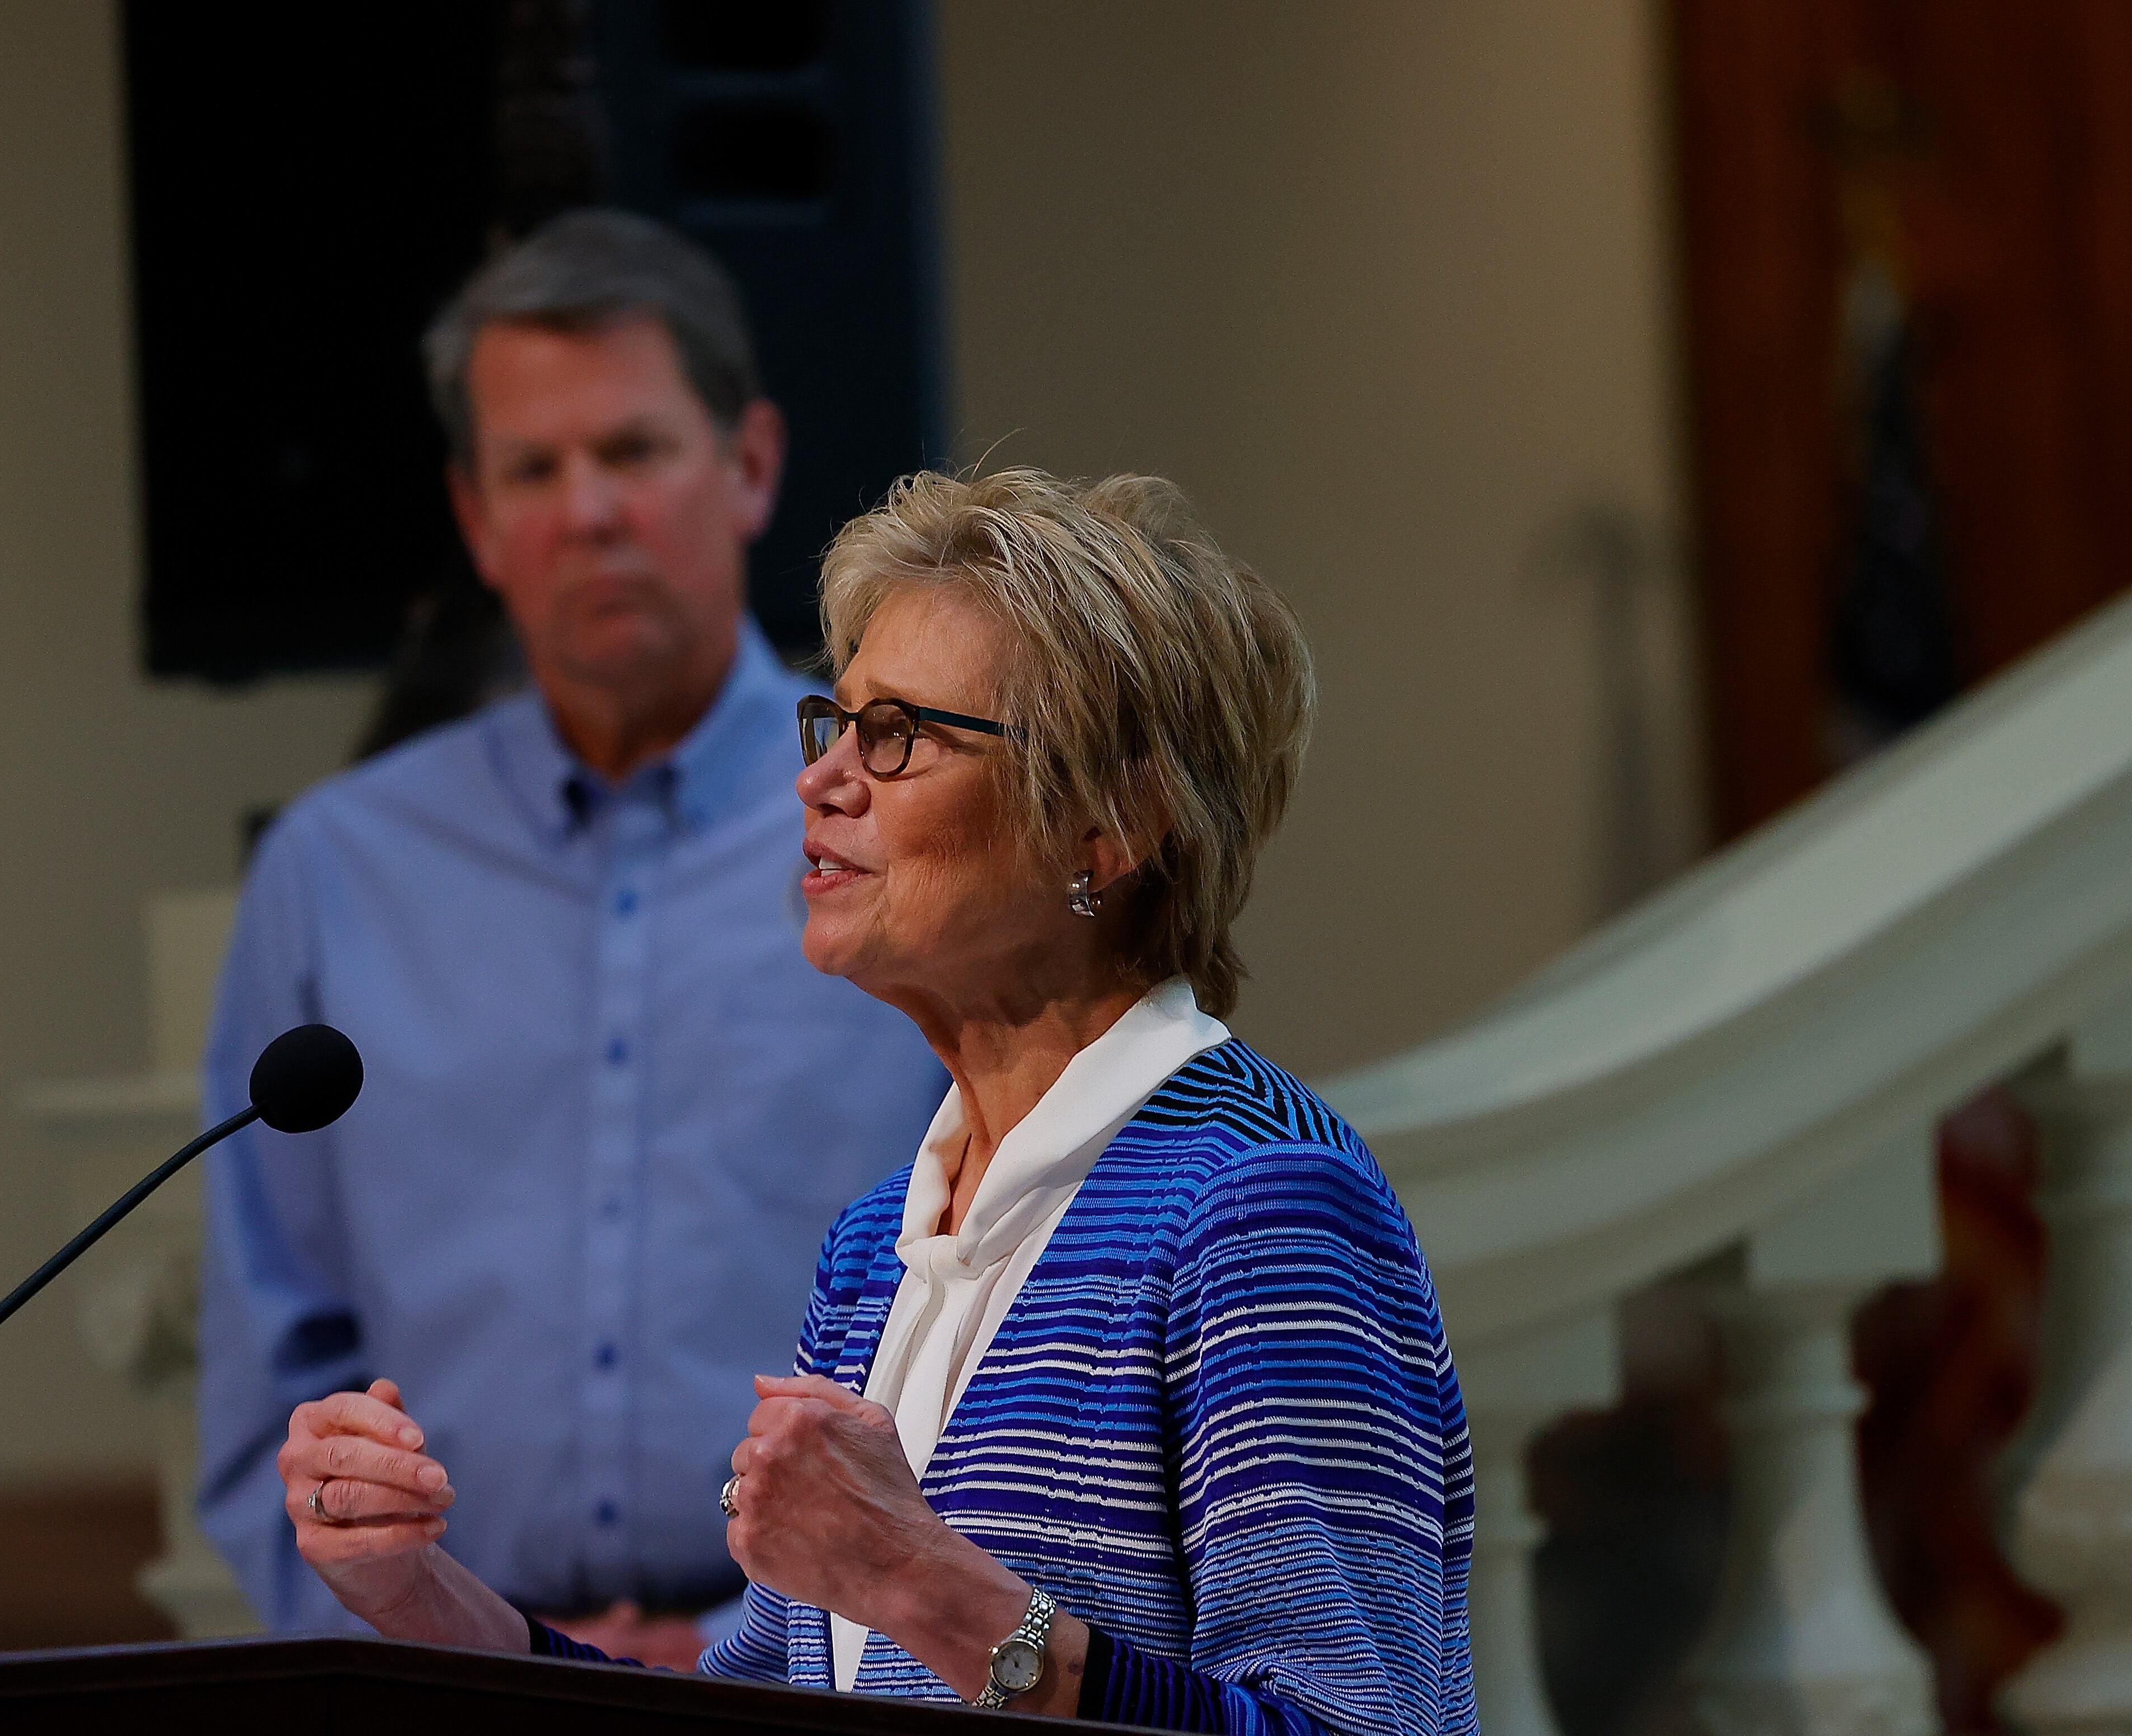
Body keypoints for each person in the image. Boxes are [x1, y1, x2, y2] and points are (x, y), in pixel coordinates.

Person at [276, 467, 1477, 1733]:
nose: (822, 780)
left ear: (1107, 825)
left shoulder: (1263, 1207)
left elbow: (1355, 1726)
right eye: (832, 724)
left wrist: (913, 1577)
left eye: (897, 733)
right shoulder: (875, 1249)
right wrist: (419, 1598)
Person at [196, 211, 948, 1662]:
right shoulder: (338, 870)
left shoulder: (909, 830)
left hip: (845, 1684)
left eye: (633, 450)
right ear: (476, 520)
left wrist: (751, 1649)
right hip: (443, 1690)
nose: (587, 509)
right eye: (533, 470)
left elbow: (1007, 1321)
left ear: (750, 464)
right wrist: (441, 1634)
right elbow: (267, 1367)